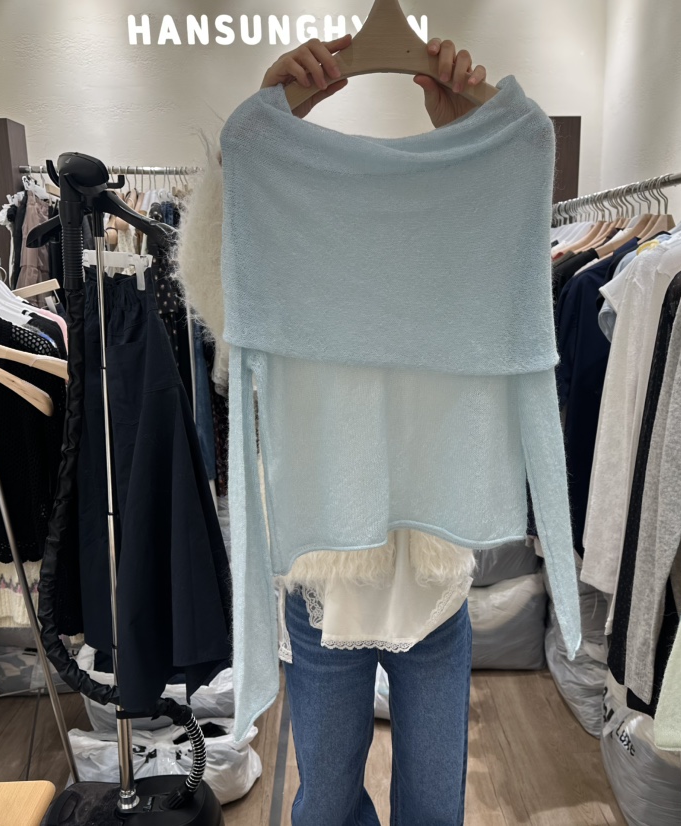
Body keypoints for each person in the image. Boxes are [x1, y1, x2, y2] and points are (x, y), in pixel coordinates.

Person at [259, 33, 488, 826]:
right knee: (325, 804)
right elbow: (224, 287)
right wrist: (264, 131)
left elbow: (512, 283)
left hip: (431, 569)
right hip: (327, 571)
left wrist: (473, 139)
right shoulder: (292, 260)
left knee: (434, 807)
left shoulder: (455, 259)